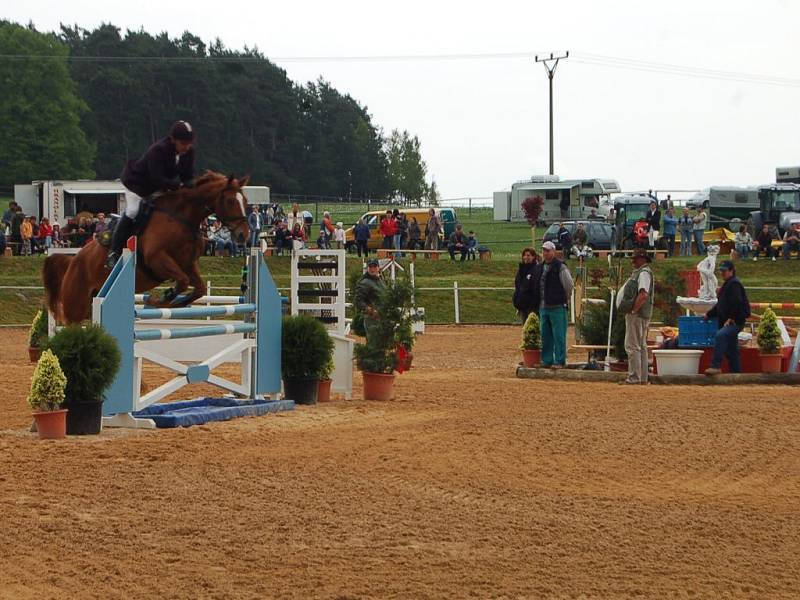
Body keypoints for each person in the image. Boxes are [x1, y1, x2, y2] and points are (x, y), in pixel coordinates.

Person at [107, 120, 196, 268]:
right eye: (183, 143)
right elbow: (157, 178)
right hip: (137, 184)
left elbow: (187, 176)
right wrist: (179, 186)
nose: (186, 147)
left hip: (158, 187)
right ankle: (113, 252)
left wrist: (192, 186)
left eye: (189, 143)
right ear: (173, 140)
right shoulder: (158, 150)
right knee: (133, 211)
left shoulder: (188, 152)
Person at [704, 260, 750, 375]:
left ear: (731, 271)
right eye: (721, 271)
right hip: (730, 321)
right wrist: (709, 314)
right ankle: (736, 374)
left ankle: (715, 366)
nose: (722, 273)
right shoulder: (728, 284)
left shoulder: (734, 284)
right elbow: (721, 305)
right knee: (732, 350)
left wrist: (731, 318)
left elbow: (737, 302)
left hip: (735, 322)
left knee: (720, 335)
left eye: (724, 271)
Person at [617, 248, 654, 385]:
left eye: (635, 258)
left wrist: (633, 310)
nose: (633, 261)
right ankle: (642, 378)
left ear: (642, 259)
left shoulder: (643, 273)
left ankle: (634, 377)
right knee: (641, 346)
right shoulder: (644, 272)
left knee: (632, 345)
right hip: (642, 314)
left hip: (637, 314)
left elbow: (643, 294)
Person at [537, 241, 573, 369]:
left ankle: (560, 360)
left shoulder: (560, 267)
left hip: (558, 306)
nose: (545, 253)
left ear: (553, 251)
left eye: (548, 251)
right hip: (543, 307)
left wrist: (564, 299)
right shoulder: (540, 267)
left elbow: (569, 285)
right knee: (545, 335)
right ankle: (546, 360)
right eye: (544, 251)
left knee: (559, 336)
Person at [354, 258, 385, 344]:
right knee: (374, 344)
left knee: (381, 344)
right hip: (372, 319)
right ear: (367, 268)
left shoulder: (380, 280)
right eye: (370, 267)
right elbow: (358, 301)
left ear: (378, 268)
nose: (372, 269)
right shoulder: (365, 282)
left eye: (374, 266)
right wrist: (371, 311)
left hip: (382, 317)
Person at [513, 247, 540, 323]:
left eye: (528, 255)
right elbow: (518, 286)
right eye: (524, 255)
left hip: (533, 308)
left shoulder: (536, 270)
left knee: (533, 329)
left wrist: (534, 304)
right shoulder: (520, 271)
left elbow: (536, 288)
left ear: (533, 257)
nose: (526, 257)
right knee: (525, 329)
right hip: (523, 306)